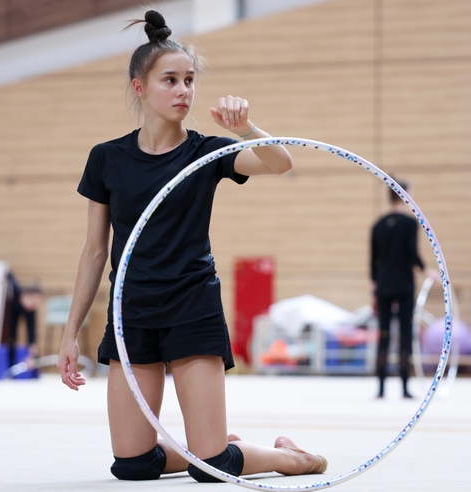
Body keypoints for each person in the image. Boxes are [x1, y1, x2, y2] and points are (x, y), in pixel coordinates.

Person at [57, 10, 327, 483]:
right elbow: (95, 252)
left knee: (214, 468)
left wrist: (245, 127)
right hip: (130, 310)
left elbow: (280, 161)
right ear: (140, 87)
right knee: (132, 466)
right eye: (170, 80)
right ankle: (218, 446)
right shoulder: (107, 158)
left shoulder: (206, 152)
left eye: (189, 80)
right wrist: (69, 332)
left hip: (191, 305)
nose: (184, 91)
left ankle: (289, 457)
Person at [370, 181, 437, 399]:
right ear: (404, 195)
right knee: (405, 335)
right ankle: (404, 388)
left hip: (384, 287)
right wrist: (426, 269)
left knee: (385, 335)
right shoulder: (409, 224)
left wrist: (375, 283)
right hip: (404, 286)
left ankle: (381, 389)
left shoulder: (378, 225)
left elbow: (373, 261)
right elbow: (411, 252)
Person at [5, 272, 42, 369]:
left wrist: (31, 356)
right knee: (11, 337)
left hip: (24, 312)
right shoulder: (17, 290)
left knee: (33, 338)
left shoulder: (31, 310)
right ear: (26, 296)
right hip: (14, 311)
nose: (33, 306)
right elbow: (9, 275)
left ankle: (34, 368)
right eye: (33, 303)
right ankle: (10, 366)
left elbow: (32, 334)